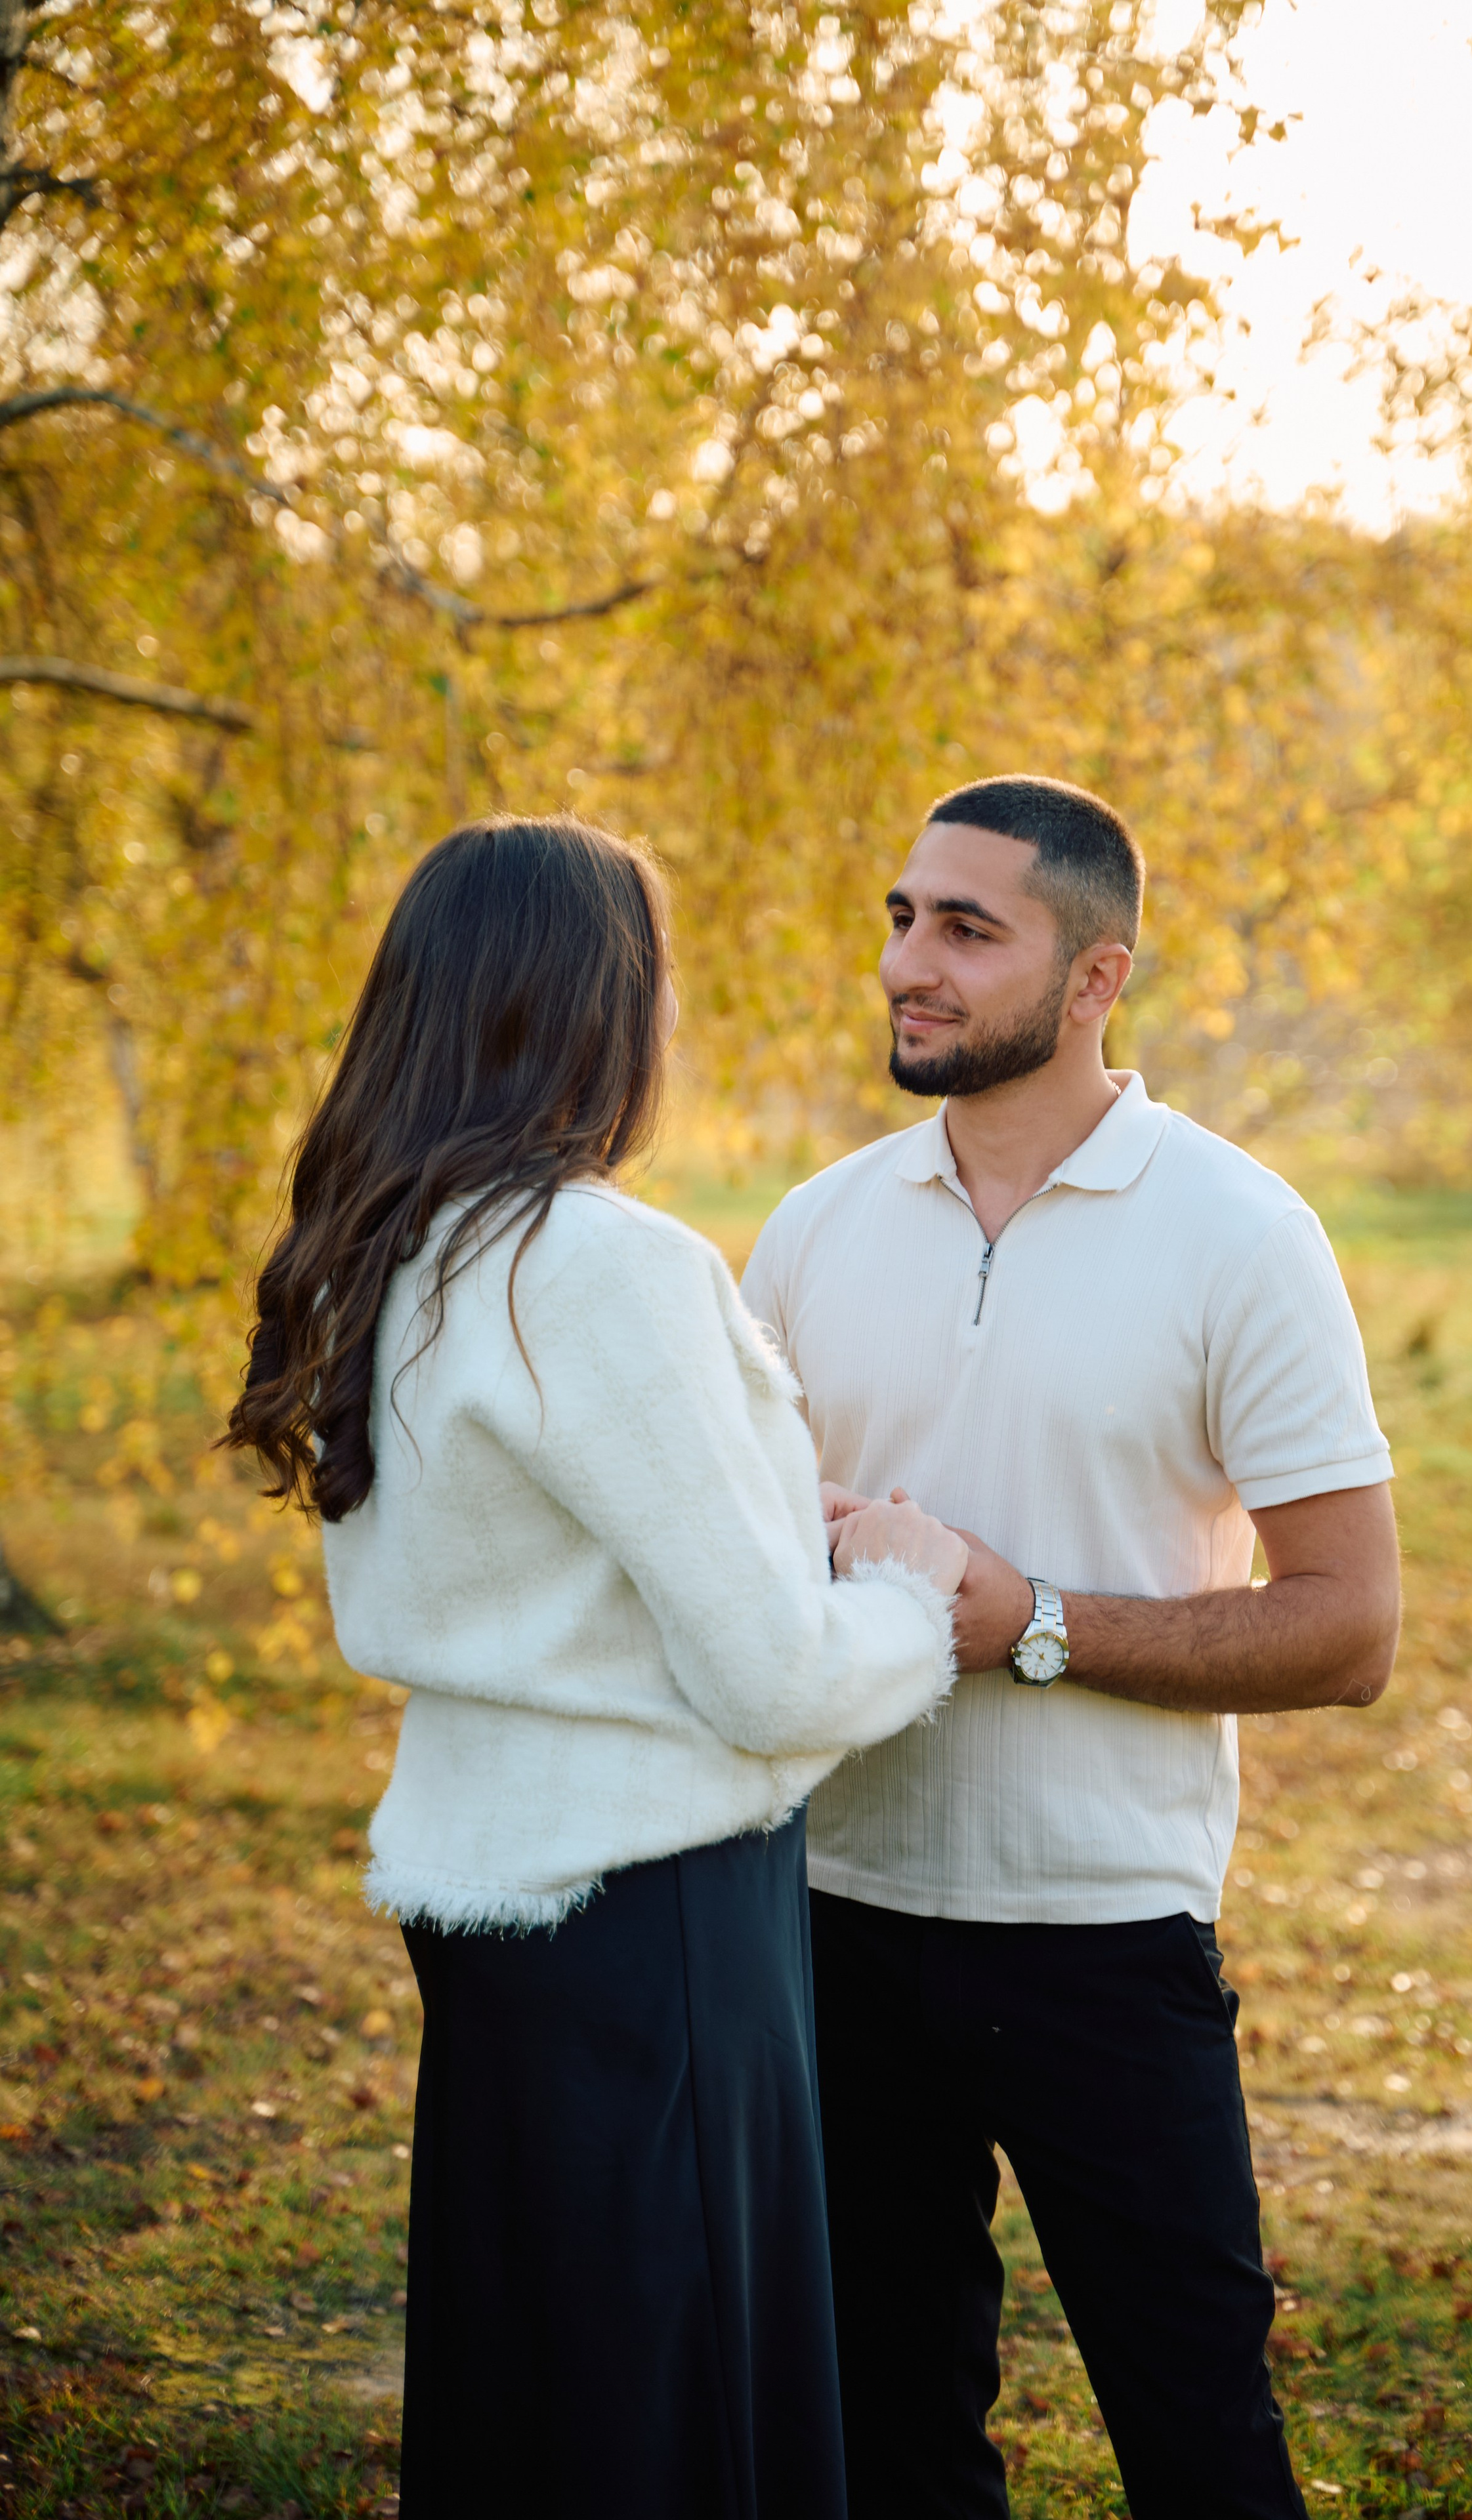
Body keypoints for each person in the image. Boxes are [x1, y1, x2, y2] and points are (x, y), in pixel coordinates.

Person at [224, 812, 967, 2520]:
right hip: (659, 1910)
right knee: (684, 2414)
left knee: (540, 2387)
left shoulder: (386, 1240)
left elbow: (525, 1557)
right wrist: (915, 1594)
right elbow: (773, 1677)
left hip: (486, 1900)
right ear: (595, 1007)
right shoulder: (602, 1259)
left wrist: (786, 1515)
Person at [741, 774, 1401, 2520]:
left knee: (1199, 2444)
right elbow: (731, 1544)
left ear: (1097, 976)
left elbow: (1349, 1623)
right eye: (901, 917)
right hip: (838, 1921)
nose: (909, 963)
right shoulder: (815, 1225)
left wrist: (1025, 1620)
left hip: (1106, 1940)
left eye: (967, 927)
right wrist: (785, 1544)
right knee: (887, 2444)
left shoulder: (1241, 1232)